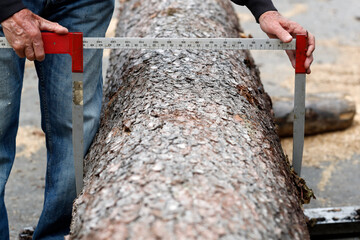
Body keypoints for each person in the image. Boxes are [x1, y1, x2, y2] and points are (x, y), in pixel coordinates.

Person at [0, 0, 314, 239]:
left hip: (81, 3)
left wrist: (265, 11)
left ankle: (59, 234)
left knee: (75, 121)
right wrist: (9, 8)